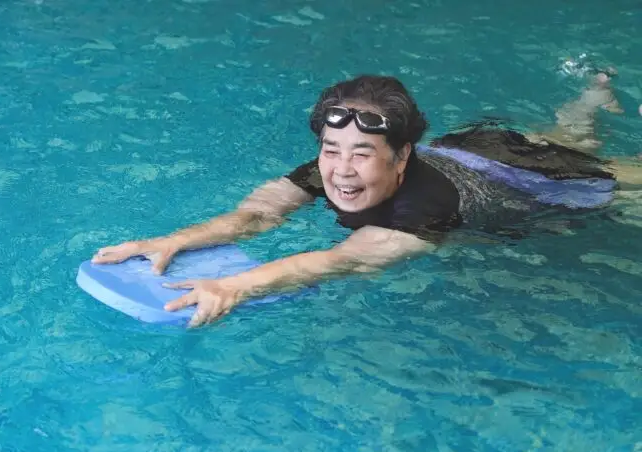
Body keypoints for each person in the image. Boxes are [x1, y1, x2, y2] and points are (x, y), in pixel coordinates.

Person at [92, 73, 641, 327]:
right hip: (472, 150)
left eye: (362, 154)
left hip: (532, 183)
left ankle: (589, 107)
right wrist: (173, 241)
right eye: (332, 149)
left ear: (402, 157)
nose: (340, 170)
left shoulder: (422, 212)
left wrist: (232, 285)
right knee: (560, 139)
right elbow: (254, 215)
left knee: (586, 168)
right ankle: (591, 98)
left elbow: (340, 260)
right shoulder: (326, 167)